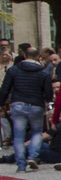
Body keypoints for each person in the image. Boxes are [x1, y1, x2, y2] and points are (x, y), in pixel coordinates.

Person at [1, 43, 52, 172]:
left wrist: (1, 103)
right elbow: (48, 92)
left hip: (18, 104)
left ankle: (21, 164)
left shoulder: (14, 70)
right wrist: (47, 100)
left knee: (18, 136)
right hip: (36, 104)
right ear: (37, 57)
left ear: (24, 55)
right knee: (36, 132)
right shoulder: (43, 72)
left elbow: (5, 88)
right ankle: (33, 157)